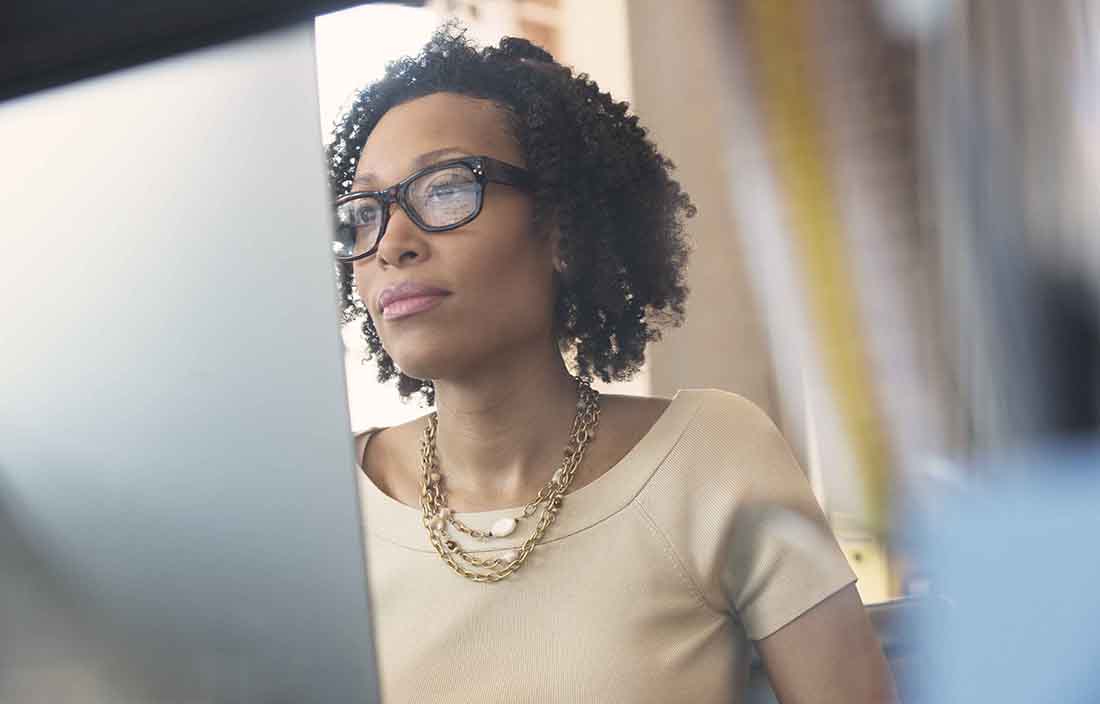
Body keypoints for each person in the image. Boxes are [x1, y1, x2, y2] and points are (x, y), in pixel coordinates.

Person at [327, 25, 898, 703]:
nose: (391, 243)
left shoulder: (715, 457)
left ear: (563, 231)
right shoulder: (328, 507)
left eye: (447, 189)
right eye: (364, 214)